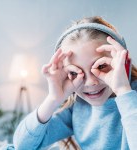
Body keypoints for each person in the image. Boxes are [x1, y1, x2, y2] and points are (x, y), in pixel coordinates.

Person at [13, 16, 137, 150]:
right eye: (74, 73)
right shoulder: (77, 108)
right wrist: (53, 99)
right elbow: (22, 146)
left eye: (101, 66)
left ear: (124, 63)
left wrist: (123, 90)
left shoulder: (130, 100)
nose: (90, 82)